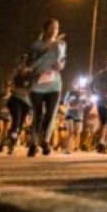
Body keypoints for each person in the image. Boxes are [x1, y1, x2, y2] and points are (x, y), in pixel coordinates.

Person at [28, 19, 67, 157]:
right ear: (44, 29)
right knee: (37, 114)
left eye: (56, 28)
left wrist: (60, 66)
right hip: (38, 83)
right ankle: (33, 143)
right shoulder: (36, 45)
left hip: (54, 83)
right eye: (51, 27)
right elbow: (30, 62)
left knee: (51, 114)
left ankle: (45, 141)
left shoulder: (61, 44)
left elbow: (63, 60)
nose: (54, 30)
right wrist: (45, 51)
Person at [6, 53, 34, 154]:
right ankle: (11, 142)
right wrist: (12, 86)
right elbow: (9, 84)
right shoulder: (15, 73)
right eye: (22, 61)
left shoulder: (31, 74)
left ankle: (12, 140)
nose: (23, 64)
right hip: (16, 99)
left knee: (20, 123)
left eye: (25, 62)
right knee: (16, 120)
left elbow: (33, 87)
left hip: (26, 102)